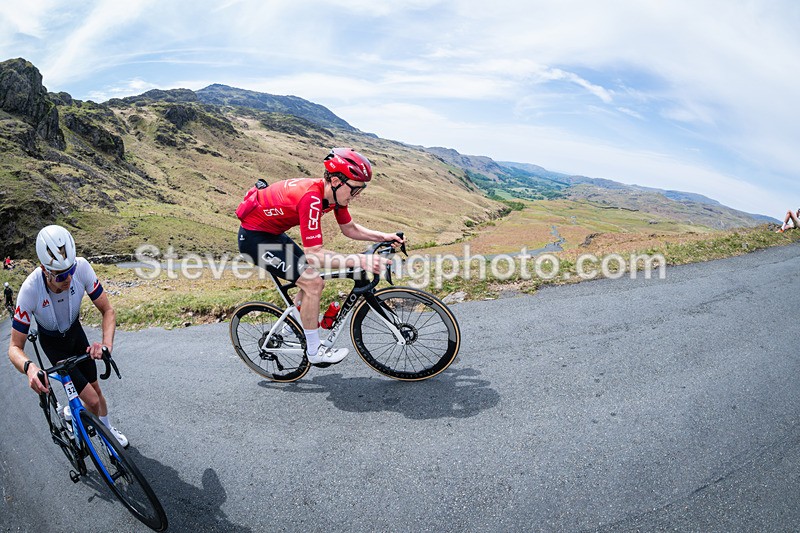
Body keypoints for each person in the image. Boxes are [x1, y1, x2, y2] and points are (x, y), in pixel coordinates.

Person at [236, 148, 404, 366]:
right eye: (354, 190)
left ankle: (293, 326)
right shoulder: (311, 198)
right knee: (313, 281)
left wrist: (384, 235)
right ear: (335, 180)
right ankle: (314, 352)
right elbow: (314, 254)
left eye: (361, 189)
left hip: (273, 234)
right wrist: (360, 260)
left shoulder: (334, 195)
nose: (356, 196)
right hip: (253, 240)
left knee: (313, 280)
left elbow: (349, 228)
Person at [7, 225, 128, 447]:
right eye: (61, 275)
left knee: (97, 390)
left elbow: (108, 311)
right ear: (45, 270)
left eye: (70, 271)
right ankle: (92, 430)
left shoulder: (81, 267)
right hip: (54, 346)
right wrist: (30, 368)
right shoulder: (29, 290)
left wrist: (106, 345)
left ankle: (101, 428)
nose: (69, 278)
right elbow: (14, 347)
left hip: (75, 333)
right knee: (91, 401)